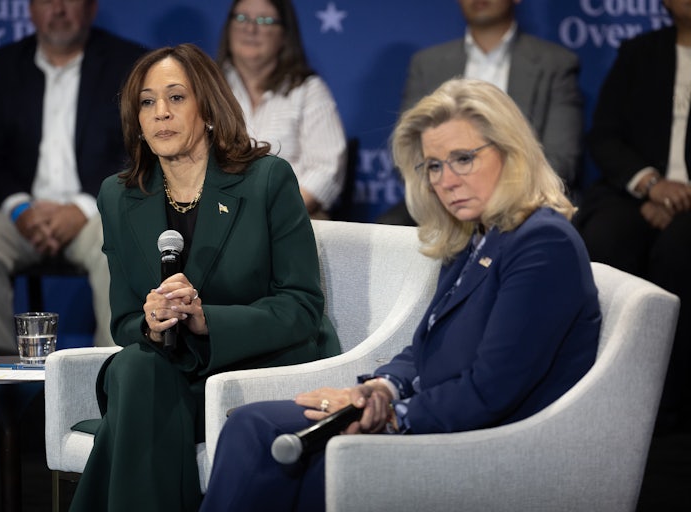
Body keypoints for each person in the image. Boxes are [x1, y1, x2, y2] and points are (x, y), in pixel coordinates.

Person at [199, 78, 602, 512]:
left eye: (463, 159)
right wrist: (381, 389)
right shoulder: (476, 233)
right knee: (251, 422)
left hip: (487, 439)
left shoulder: (543, 244)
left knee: (313, 456)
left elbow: (491, 391)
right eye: (434, 166)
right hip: (435, 412)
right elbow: (425, 348)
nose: (446, 181)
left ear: (511, 153)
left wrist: (392, 417)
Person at [68, 43, 340, 511]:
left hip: (253, 369)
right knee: (138, 364)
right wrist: (152, 323)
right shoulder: (119, 195)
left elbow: (301, 306)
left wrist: (205, 320)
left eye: (176, 98)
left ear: (208, 107)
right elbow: (124, 322)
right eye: (147, 102)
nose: (161, 114)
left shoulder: (267, 180)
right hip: (165, 372)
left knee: (135, 382)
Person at [0, 0, 144, 349]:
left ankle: (112, 379)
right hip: (24, 213)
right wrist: (20, 209)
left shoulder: (126, 61)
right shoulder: (6, 63)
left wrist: (83, 207)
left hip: (95, 210)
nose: (58, 8)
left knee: (118, 241)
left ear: (91, 8)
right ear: (30, 9)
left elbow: (134, 150)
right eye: (46, 0)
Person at [575, 0, 691, 433]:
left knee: (679, 252)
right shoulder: (639, 52)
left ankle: (668, 406)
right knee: (606, 237)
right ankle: (600, 386)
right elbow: (604, 136)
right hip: (637, 192)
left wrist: (681, 199)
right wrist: (651, 186)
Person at [377, 0, 583, 225]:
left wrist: (496, 198)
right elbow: (411, 156)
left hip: (523, 200)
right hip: (442, 205)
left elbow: (561, 159)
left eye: (465, 158)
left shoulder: (555, 63)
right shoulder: (427, 64)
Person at [217, 0, 347, 219]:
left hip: (288, 216)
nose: (250, 28)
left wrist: (275, 214)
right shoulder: (208, 88)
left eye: (265, 20)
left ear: (284, 35)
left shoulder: (308, 90)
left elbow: (326, 170)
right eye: (241, 18)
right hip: (219, 215)